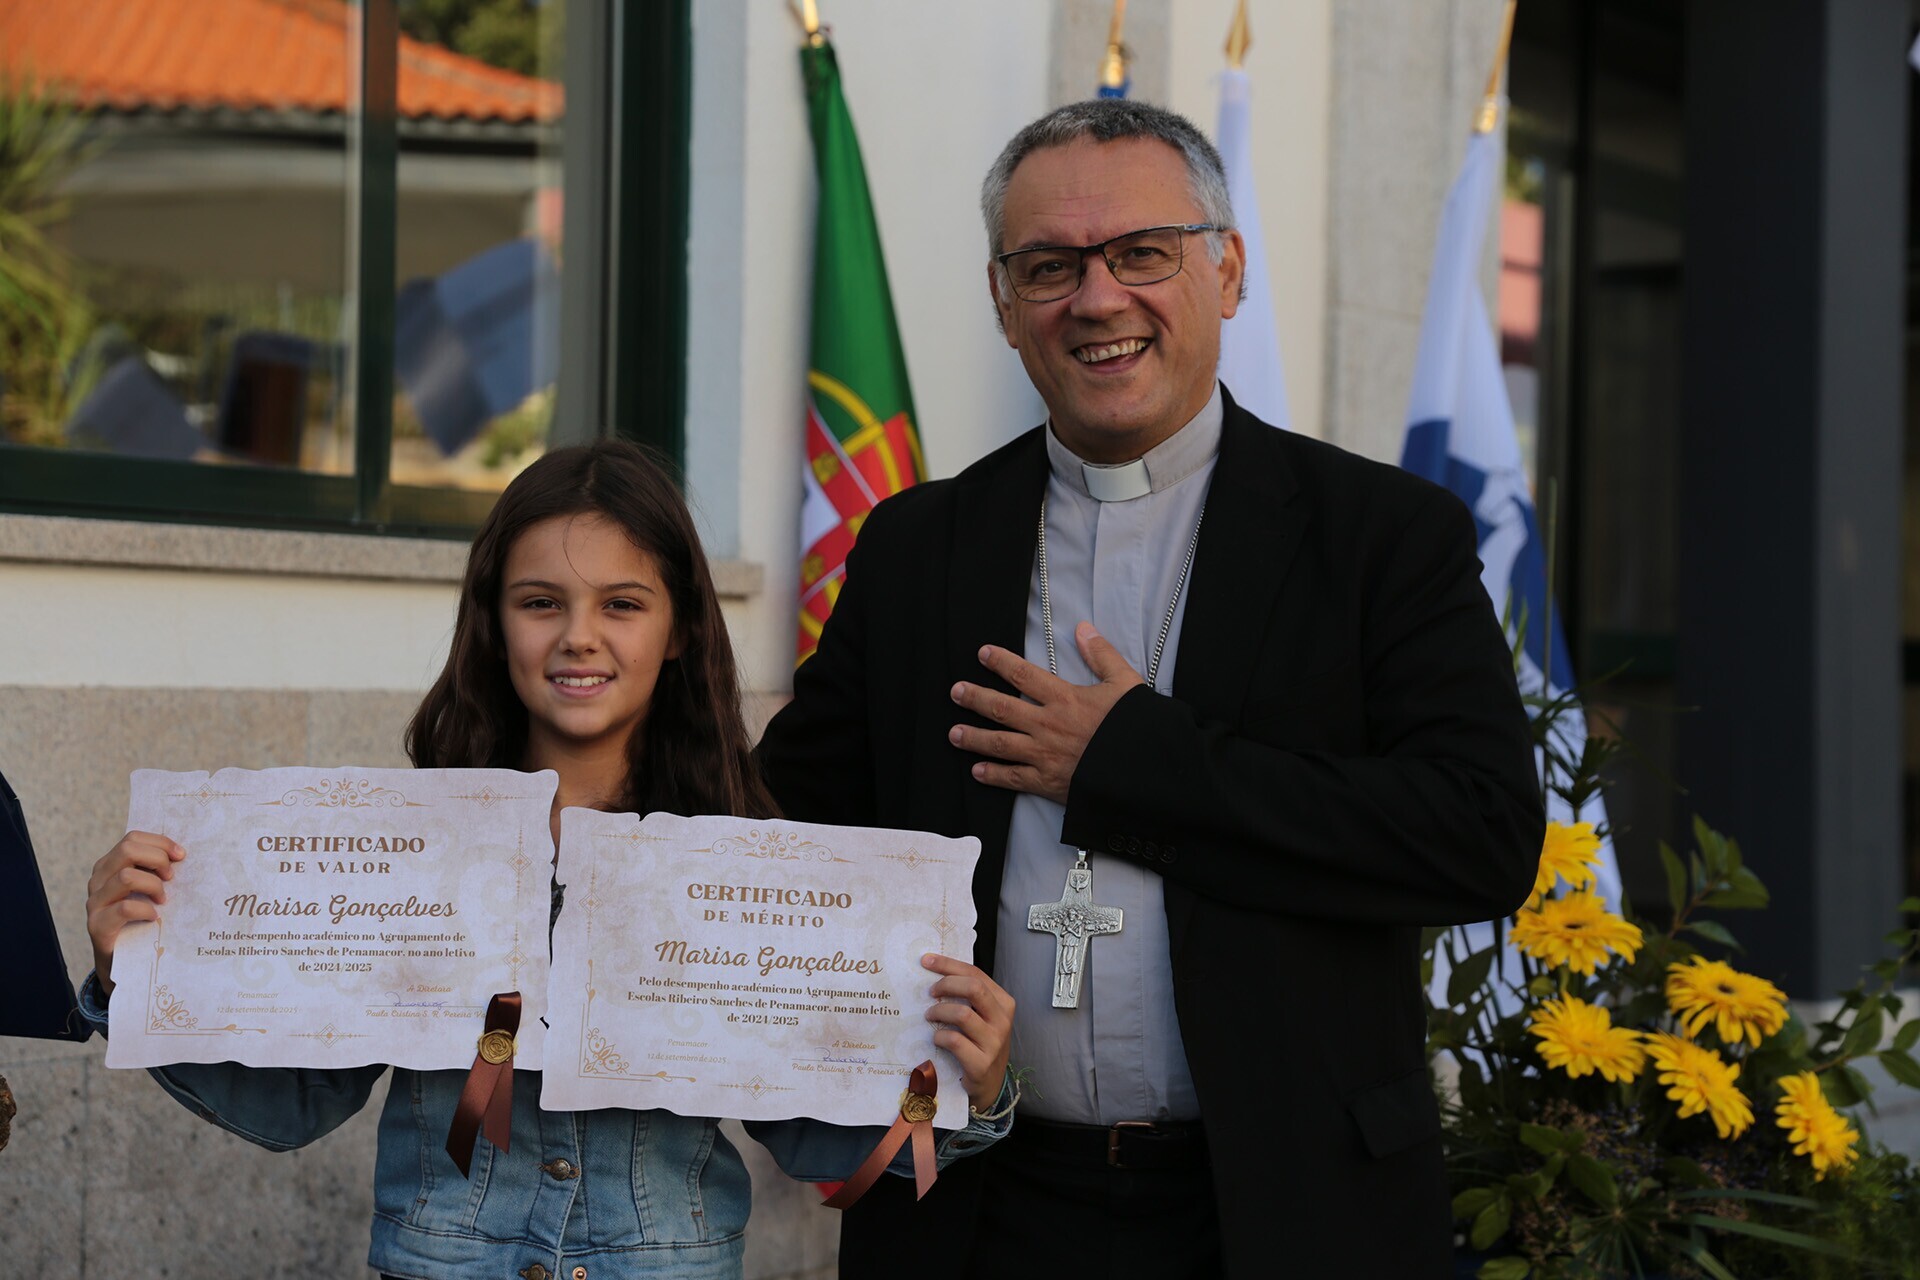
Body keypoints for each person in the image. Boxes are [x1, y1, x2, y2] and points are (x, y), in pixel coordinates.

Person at [756, 100, 1544, 1278]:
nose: (1097, 297)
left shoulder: (1380, 536)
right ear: (1003, 302)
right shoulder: (920, 545)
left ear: (1227, 271)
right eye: (1050, 266)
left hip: (1279, 1207)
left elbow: (1480, 834)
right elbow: (785, 822)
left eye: (1141, 253)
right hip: (979, 1204)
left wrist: (1131, 762)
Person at [79, 441, 1017, 1280]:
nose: (578, 635)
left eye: (622, 604)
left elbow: (819, 1133)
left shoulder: (745, 861)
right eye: (540, 603)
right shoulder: (409, 851)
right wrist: (140, 973)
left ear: (681, 629)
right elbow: (293, 1103)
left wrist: (963, 1087)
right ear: (494, 622)